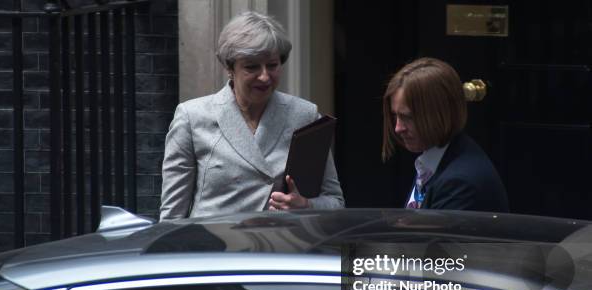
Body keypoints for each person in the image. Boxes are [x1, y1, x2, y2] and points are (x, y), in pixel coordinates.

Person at [160, 11, 344, 221]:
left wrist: (307, 205)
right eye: (252, 67)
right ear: (230, 68)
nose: (265, 76)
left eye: (272, 65)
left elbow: (335, 202)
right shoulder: (192, 117)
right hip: (214, 250)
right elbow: (172, 216)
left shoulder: (305, 115)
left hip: (281, 250)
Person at [382, 57, 509, 212]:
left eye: (407, 117)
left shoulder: (459, 183)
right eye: (395, 116)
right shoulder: (437, 158)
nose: (398, 128)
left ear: (440, 114)